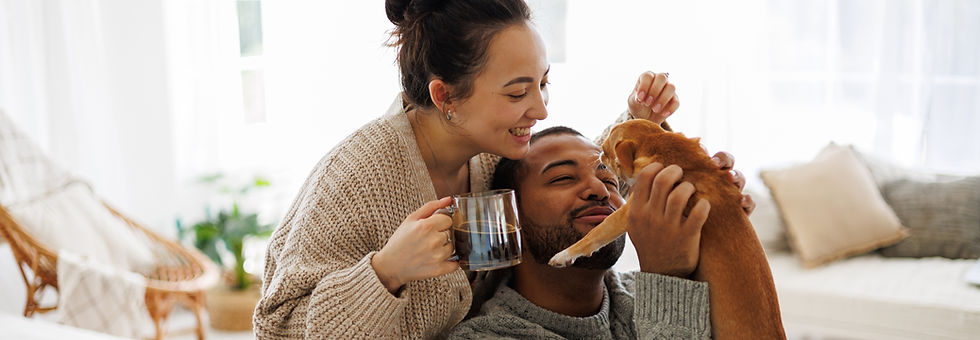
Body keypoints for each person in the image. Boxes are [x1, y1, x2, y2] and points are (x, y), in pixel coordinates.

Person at [253, 0, 682, 338]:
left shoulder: (491, 149)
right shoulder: (357, 178)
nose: (541, 108)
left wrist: (638, 121)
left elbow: (560, 181)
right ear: (446, 97)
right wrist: (385, 273)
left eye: (543, 83)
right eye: (517, 93)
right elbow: (278, 326)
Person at [449, 126, 754, 339]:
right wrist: (666, 278)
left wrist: (723, 237)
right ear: (508, 219)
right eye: (563, 178)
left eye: (609, 180)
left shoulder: (641, 294)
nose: (599, 190)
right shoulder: (484, 336)